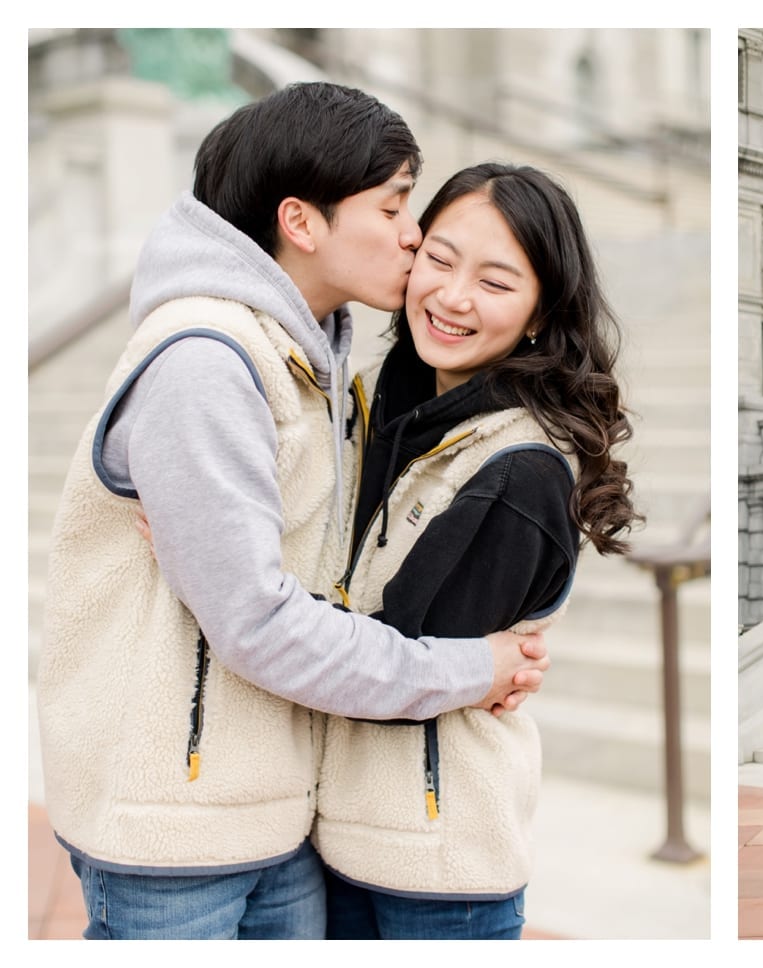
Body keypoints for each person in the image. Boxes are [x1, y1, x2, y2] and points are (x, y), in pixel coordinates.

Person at [37, 83, 550, 940]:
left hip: (275, 810)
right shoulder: (207, 359)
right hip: (174, 826)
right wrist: (473, 669)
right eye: (392, 206)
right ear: (302, 222)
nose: (413, 234)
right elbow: (258, 624)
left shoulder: (312, 366)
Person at [312, 162, 640, 939]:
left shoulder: (521, 471)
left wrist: (231, 580)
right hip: (331, 837)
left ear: (538, 314)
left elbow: (397, 669)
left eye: (496, 282)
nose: (453, 297)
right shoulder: (366, 401)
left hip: (438, 866)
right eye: (440, 259)